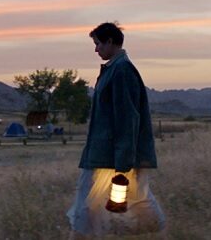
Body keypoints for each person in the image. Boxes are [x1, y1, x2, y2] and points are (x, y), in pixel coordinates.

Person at [67, 22, 166, 238]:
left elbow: (127, 118)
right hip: (104, 152)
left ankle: (159, 230)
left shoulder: (121, 71)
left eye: (98, 44)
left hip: (109, 154)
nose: (96, 49)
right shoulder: (114, 69)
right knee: (130, 199)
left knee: (90, 204)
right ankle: (159, 231)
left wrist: (123, 163)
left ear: (110, 42)